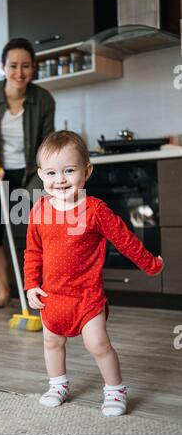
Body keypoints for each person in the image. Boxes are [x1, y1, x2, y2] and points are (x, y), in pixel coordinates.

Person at [24, 130, 163, 416]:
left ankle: (114, 390)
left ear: (86, 171)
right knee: (51, 341)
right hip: (53, 296)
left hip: (87, 296)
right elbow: (32, 252)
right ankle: (58, 385)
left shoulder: (95, 210)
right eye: (51, 173)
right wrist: (30, 285)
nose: (60, 179)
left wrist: (151, 264)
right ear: (41, 175)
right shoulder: (39, 210)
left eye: (69, 170)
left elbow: (125, 240)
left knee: (98, 343)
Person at [0, 38, 55, 313]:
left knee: (45, 227)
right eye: (14, 66)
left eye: (26, 66)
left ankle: (45, 293)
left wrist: (48, 174)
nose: (20, 73)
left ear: (34, 68)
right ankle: (4, 293)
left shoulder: (43, 100)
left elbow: (46, 142)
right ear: (3, 67)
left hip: (33, 171)